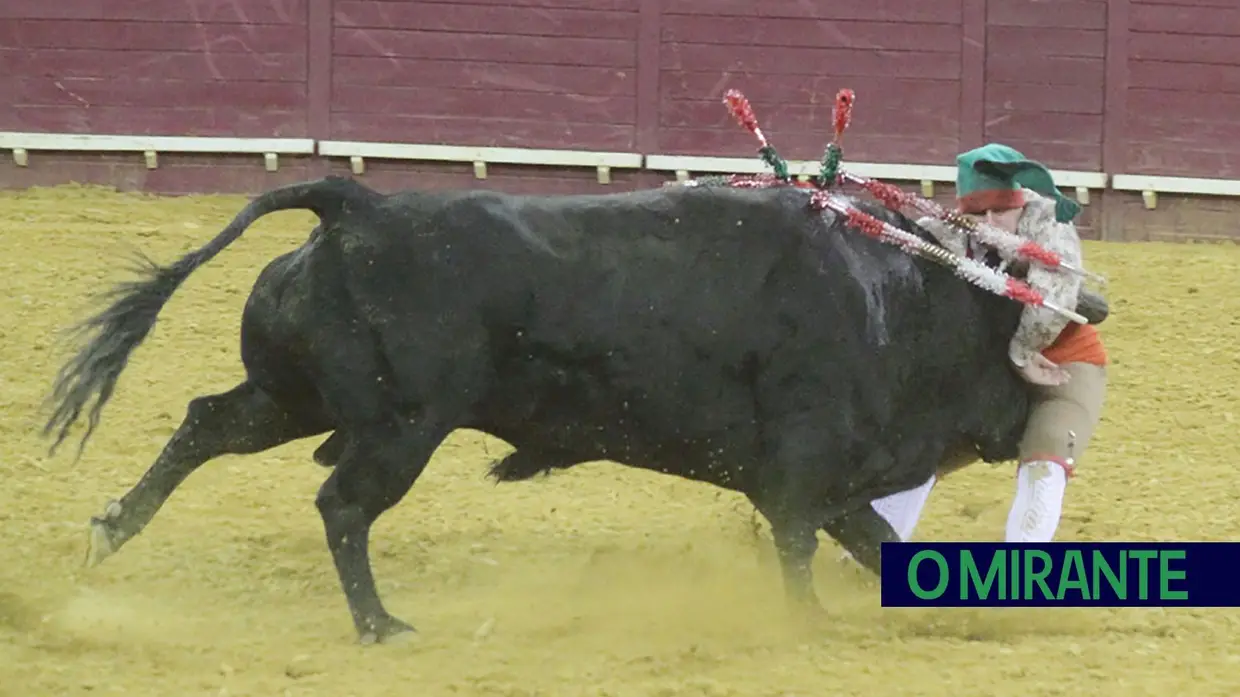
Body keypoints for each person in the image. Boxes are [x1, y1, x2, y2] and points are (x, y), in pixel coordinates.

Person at [866, 143, 1109, 544]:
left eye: (1002, 210)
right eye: (978, 214)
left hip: (1062, 365)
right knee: (919, 456)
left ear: (1020, 203)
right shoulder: (944, 233)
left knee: (1045, 461)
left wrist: (1022, 353)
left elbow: (1054, 300)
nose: (990, 223)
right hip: (982, 371)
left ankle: (1022, 566)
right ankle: (867, 557)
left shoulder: (1048, 224)